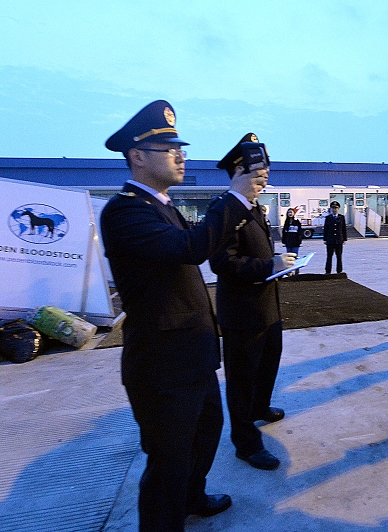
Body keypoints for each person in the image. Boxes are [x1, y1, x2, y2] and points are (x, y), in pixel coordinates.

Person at [100, 101, 265, 531]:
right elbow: (190, 249)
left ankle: (192, 499)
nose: (180, 155)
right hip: (162, 365)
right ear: (137, 156)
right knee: (168, 462)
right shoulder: (124, 211)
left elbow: (195, 245)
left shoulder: (164, 206)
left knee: (205, 436)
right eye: (168, 148)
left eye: (181, 147)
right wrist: (234, 196)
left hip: (192, 356)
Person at [211, 133, 296, 471]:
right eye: (258, 176)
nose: (263, 181)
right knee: (242, 378)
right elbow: (221, 263)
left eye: (265, 176)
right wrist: (269, 266)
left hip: (266, 305)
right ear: (238, 171)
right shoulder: (224, 209)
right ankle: (245, 443)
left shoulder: (254, 208)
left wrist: (279, 266)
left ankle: (260, 407)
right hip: (243, 313)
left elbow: (259, 252)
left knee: (267, 364)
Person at [323, 201, 347, 274]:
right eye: (333, 208)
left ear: (338, 208)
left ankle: (339, 271)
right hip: (330, 240)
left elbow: (344, 229)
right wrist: (325, 239)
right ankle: (328, 271)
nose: (334, 210)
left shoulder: (341, 217)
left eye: (336, 208)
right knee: (329, 256)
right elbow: (326, 228)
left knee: (339, 256)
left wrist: (345, 239)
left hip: (339, 240)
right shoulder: (328, 218)